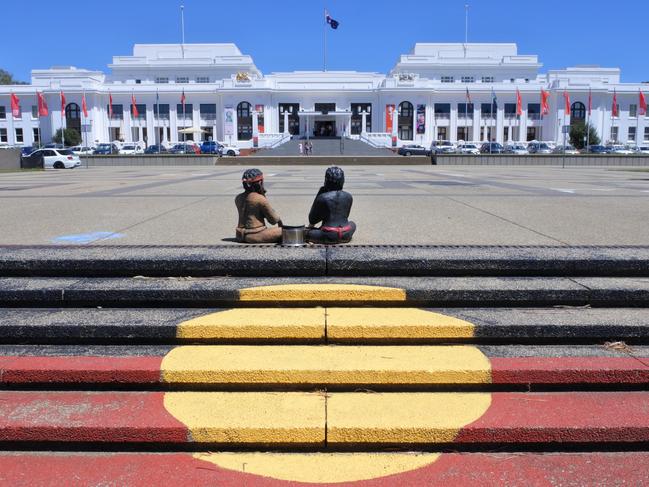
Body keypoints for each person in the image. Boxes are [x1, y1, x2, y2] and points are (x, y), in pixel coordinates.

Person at [306, 166, 356, 244]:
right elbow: (344, 216)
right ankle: (343, 237)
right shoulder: (349, 196)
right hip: (346, 233)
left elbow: (312, 219)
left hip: (328, 235)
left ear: (326, 181)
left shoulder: (323, 197)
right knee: (352, 224)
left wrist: (319, 193)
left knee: (304, 232)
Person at [235, 168, 283, 243]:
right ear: (260, 182)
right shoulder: (259, 198)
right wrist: (279, 221)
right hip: (255, 234)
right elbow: (273, 220)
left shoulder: (238, 198)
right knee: (285, 231)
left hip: (239, 235)